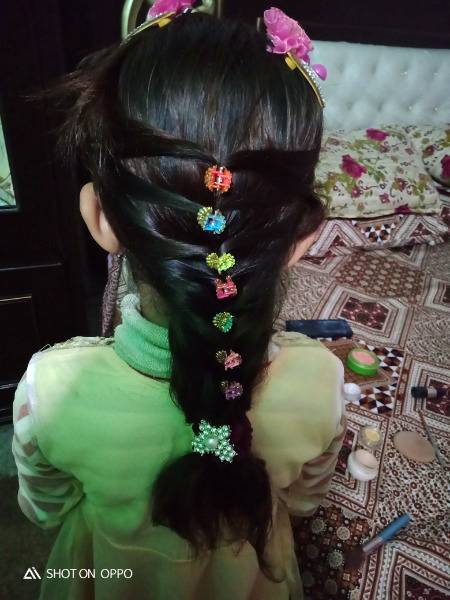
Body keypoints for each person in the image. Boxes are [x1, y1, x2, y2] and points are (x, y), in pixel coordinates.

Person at [12, 4, 346, 599]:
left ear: (100, 218)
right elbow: (302, 502)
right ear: (302, 240)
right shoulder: (321, 383)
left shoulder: (51, 389)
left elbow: (45, 508)